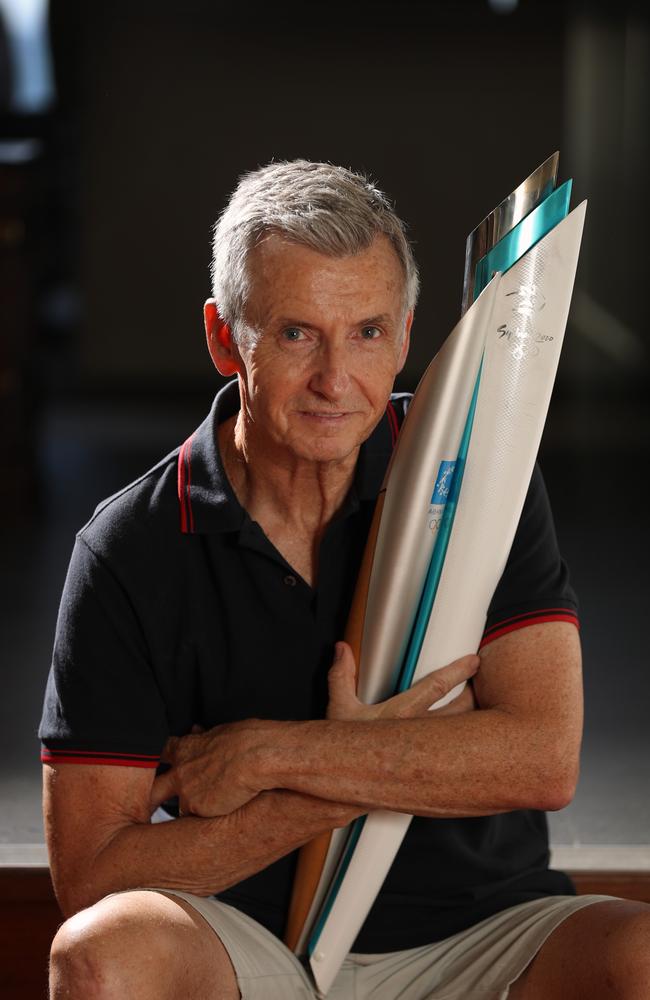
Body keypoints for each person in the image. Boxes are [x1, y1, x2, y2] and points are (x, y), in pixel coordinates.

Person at [40, 160, 650, 1000]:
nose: (336, 380)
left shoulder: (480, 475)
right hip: (240, 941)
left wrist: (272, 753)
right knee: (100, 955)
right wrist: (342, 783)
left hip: (485, 934)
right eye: (296, 334)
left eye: (367, 332)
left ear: (404, 337)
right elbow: (93, 874)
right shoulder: (129, 547)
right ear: (225, 338)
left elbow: (542, 759)